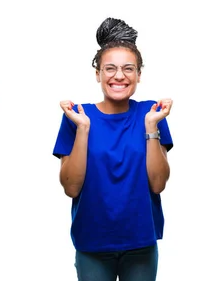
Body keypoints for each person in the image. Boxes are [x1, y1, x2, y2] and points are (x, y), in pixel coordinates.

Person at [52, 17, 173, 281]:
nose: (119, 76)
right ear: (98, 74)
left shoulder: (151, 112)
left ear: (139, 74)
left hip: (141, 241)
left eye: (128, 69)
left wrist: (151, 127)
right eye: (110, 69)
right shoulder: (77, 116)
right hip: (92, 242)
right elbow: (71, 188)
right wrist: (84, 129)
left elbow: (158, 184)